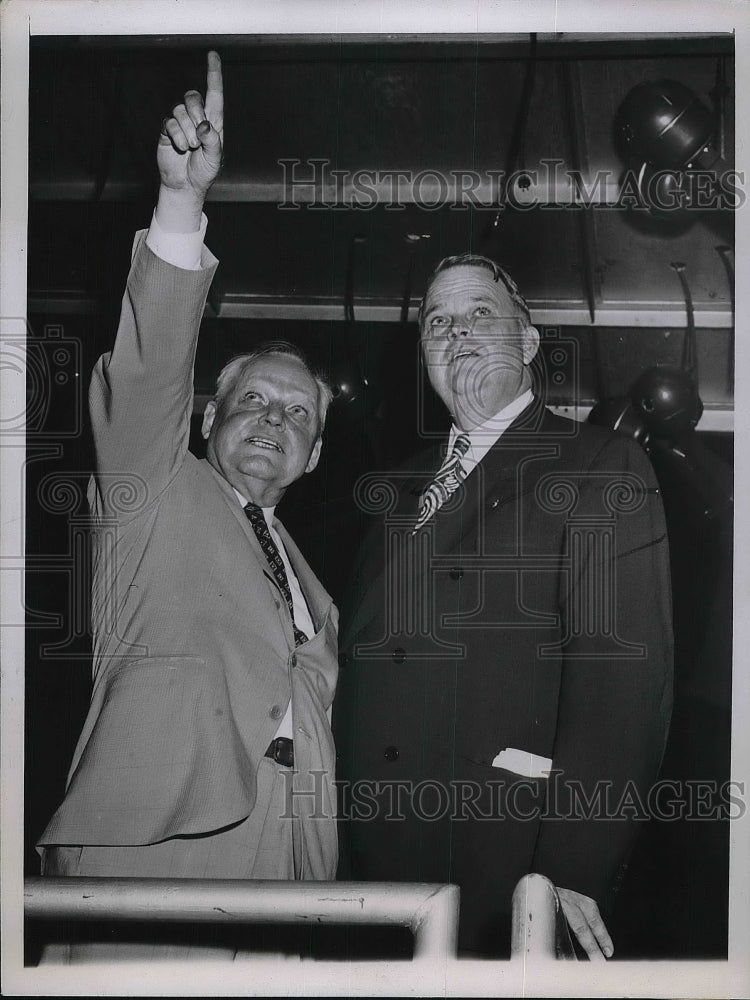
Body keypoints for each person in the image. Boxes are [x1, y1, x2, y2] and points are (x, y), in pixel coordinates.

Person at [36, 52, 339, 958]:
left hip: (295, 886)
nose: (270, 419)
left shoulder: (317, 591)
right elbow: (148, 371)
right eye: (251, 400)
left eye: (296, 414)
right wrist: (179, 208)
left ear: (316, 455)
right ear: (209, 417)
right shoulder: (154, 488)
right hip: (157, 858)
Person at [334, 253, 673, 960]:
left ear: (527, 342)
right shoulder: (391, 491)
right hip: (368, 876)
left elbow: (623, 689)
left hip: (505, 864)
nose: (456, 332)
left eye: (479, 314)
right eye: (437, 321)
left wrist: (570, 871)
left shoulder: (596, 464)